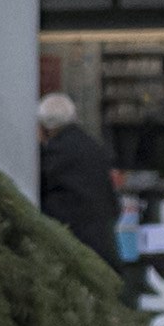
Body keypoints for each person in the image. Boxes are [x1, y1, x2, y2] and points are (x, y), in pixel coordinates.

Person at [35, 87, 122, 275]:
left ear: (45, 127)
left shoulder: (53, 153)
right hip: (103, 241)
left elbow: (38, 189)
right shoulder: (92, 146)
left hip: (72, 243)